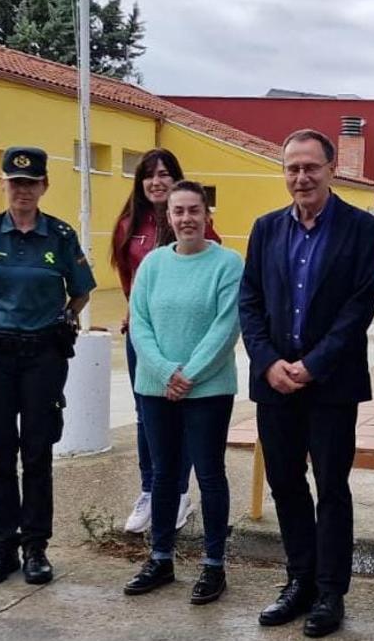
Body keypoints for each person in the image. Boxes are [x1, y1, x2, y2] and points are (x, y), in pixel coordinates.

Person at [239, 129, 374, 636]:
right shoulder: (265, 229)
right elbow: (249, 301)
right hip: (275, 383)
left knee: (331, 487)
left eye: (311, 167)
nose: (301, 177)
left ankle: (329, 592)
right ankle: (299, 580)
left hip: (331, 384)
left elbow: (359, 306)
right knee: (284, 483)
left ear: (330, 169)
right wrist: (268, 362)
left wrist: (313, 364)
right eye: (292, 168)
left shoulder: (362, 228)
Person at [0, 146, 96, 586]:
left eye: (31, 183)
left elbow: (81, 291)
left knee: (37, 452)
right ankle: (2, 547)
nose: (23, 190)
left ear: (44, 186)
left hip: (42, 357)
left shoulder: (60, 235)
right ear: (3, 184)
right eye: (16, 182)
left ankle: (36, 547)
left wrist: (63, 319)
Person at [122, 180, 243, 605]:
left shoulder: (228, 263)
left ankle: (213, 565)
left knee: (209, 475)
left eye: (194, 210)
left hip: (208, 389)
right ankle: (160, 558)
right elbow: (139, 323)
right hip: (156, 387)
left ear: (207, 215)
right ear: (168, 217)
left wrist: (188, 375)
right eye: (179, 211)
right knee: (163, 475)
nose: (187, 218)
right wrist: (164, 372)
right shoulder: (152, 265)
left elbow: (226, 327)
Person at [109, 149, 220, 534]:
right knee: (146, 415)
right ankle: (150, 490)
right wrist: (134, 311)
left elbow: (211, 269)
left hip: (186, 337)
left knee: (184, 413)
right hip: (144, 339)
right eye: (149, 175)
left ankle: (179, 493)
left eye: (164, 174)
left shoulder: (192, 222)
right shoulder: (128, 224)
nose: (156, 182)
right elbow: (128, 277)